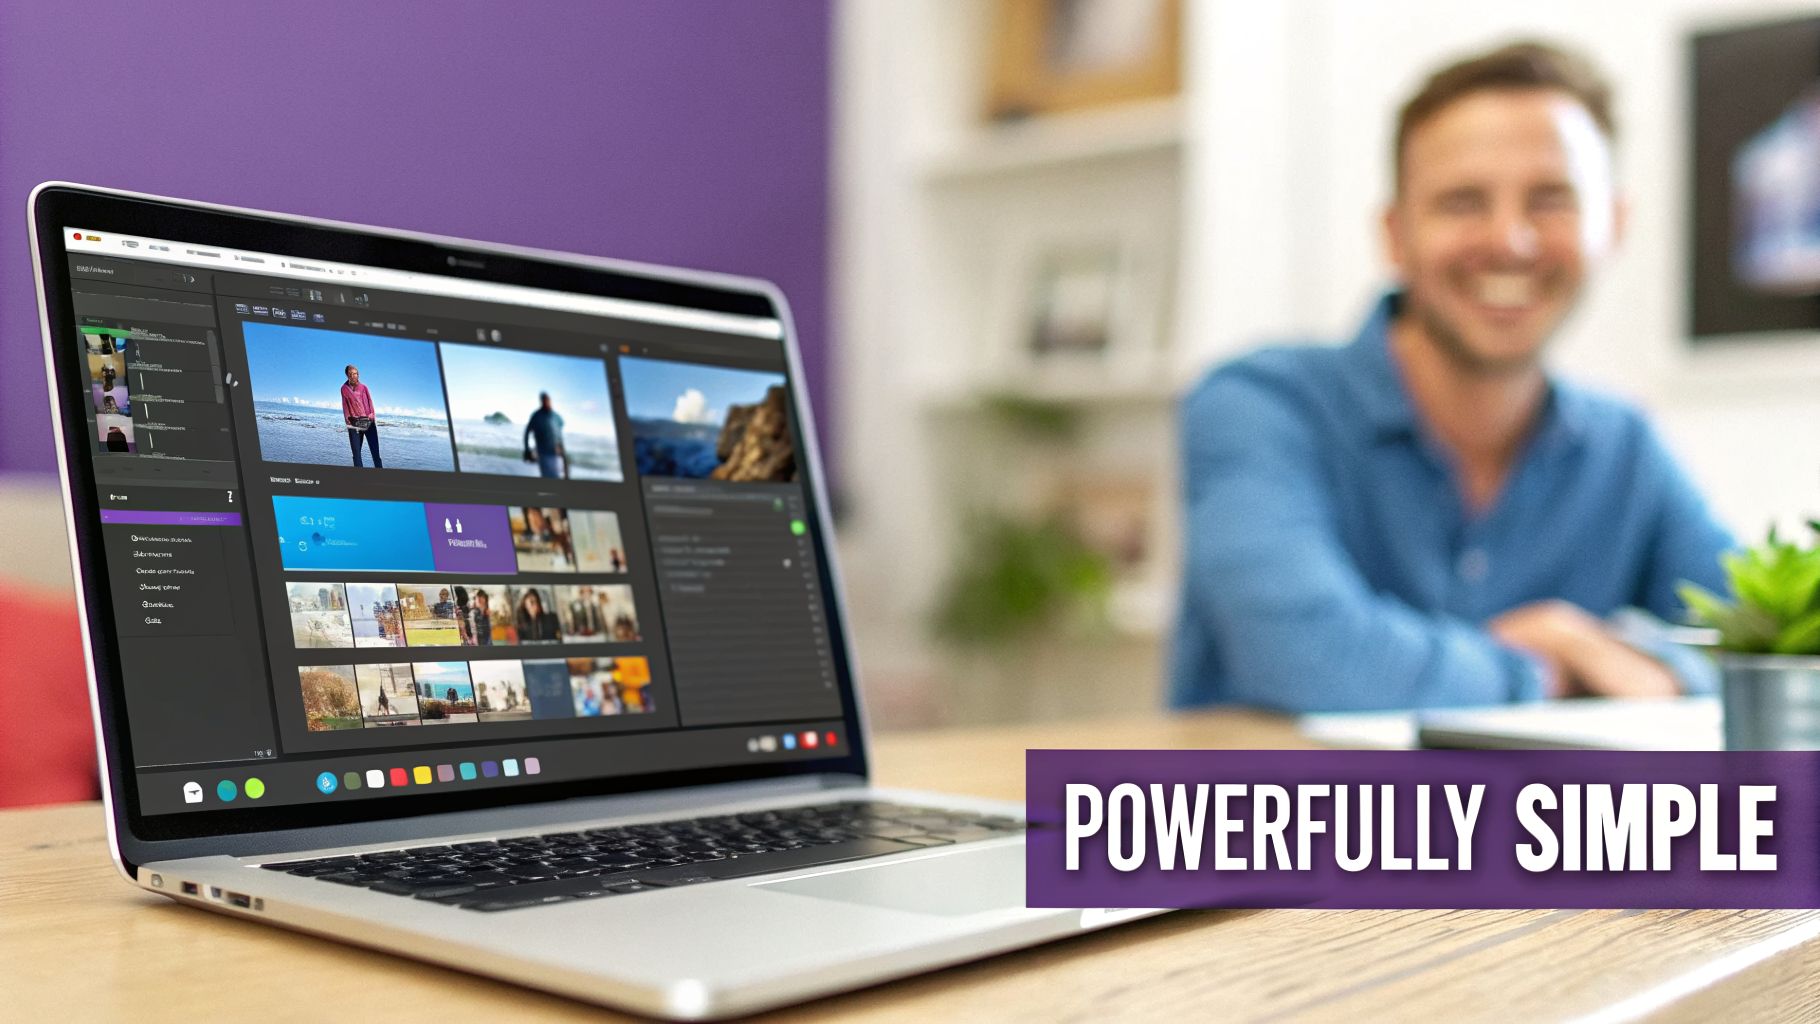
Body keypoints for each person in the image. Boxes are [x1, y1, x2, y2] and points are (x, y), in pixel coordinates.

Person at [1171, 41, 1734, 713]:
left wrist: (1643, 662)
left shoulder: (1626, 449)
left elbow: (1771, 647)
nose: (1511, 240)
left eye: (1551, 199)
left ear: (1611, 225)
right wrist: (1552, 666)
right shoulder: (1260, 407)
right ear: (1396, 235)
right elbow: (1309, 657)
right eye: (1463, 202)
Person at [341, 364, 383, 469]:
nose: (353, 376)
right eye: (351, 374)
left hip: (368, 422)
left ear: (358, 374)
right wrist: (348, 422)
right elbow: (345, 406)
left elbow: (370, 403)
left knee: (375, 454)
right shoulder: (344, 389)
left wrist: (371, 417)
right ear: (347, 375)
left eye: (355, 373)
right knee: (356, 456)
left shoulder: (364, 387)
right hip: (353, 423)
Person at [523, 391, 567, 478]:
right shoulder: (536, 416)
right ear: (541, 402)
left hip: (557, 453)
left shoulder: (556, 416)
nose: (547, 402)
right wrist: (527, 449)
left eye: (548, 400)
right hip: (544, 454)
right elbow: (527, 432)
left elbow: (559, 434)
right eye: (544, 400)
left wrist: (562, 450)